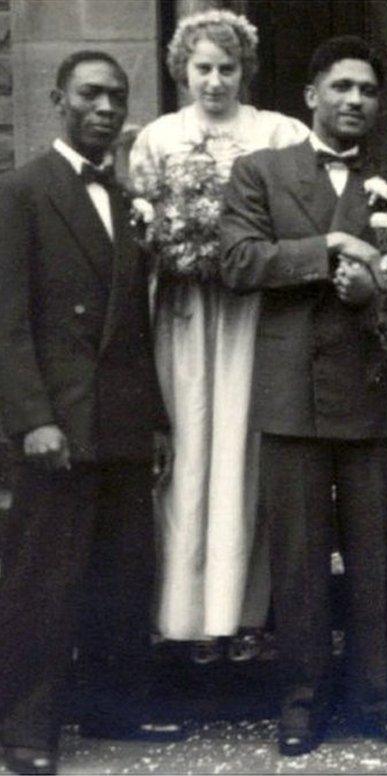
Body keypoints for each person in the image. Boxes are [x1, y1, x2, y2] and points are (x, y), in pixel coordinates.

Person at [219, 35, 387, 756]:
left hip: (371, 393)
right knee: (300, 560)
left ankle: (375, 694)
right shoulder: (261, 172)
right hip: (291, 396)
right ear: (311, 95)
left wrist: (376, 289)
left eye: (367, 91)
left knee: (374, 557)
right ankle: (301, 700)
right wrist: (332, 252)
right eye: (341, 87)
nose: (354, 101)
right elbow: (239, 260)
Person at [0, 51, 182, 775]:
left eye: (117, 96)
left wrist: (158, 420)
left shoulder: (126, 195)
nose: (106, 108)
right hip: (58, 425)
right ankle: (23, 727)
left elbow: (136, 324)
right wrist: (32, 419)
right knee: (43, 580)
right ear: (57, 100)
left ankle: (111, 709)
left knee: (119, 573)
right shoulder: (22, 191)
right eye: (90, 95)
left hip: (123, 422)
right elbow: (7, 324)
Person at [129, 9, 309, 663]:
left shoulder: (277, 132)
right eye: (202, 68)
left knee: (244, 448)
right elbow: (142, 225)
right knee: (190, 449)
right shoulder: (158, 137)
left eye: (226, 68)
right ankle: (183, 616)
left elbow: (293, 216)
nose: (214, 81)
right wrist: (175, 245)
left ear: (244, 71)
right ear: (182, 70)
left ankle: (244, 613)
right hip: (184, 312)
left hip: (251, 313)